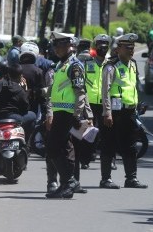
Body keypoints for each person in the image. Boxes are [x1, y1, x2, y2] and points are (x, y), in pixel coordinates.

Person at [44, 31, 93, 198]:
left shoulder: (74, 65)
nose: (56, 49)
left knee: (52, 148)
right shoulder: (61, 65)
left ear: (68, 46)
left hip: (68, 114)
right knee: (61, 149)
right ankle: (66, 184)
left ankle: (69, 181)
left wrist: (77, 115)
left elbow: (80, 92)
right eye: (55, 46)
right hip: (60, 112)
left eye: (59, 45)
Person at [100, 33, 148, 189]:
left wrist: (138, 104)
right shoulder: (111, 66)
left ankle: (131, 179)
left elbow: (132, 87)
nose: (131, 51)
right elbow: (105, 91)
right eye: (128, 48)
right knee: (109, 145)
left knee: (130, 146)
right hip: (114, 113)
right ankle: (105, 179)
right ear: (118, 49)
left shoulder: (133, 64)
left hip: (129, 112)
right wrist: (107, 112)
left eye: (133, 48)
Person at [82, 34, 111, 170]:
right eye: (100, 44)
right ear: (95, 46)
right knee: (89, 133)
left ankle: (109, 161)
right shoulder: (87, 64)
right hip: (90, 104)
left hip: (106, 104)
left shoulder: (111, 65)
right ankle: (86, 158)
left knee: (107, 135)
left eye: (105, 45)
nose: (103, 47)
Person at [19, 42, 47, 123]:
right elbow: (43, 94)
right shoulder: (38, 71)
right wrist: (45, 112)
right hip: (32, 109)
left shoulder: (14, 69)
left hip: (14, 108)